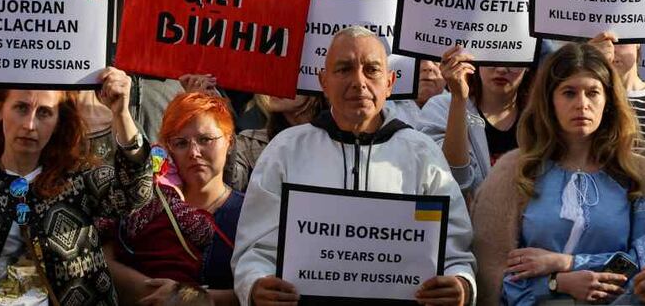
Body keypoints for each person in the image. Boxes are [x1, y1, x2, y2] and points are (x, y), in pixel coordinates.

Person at [231, 26, 476, 306]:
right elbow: (256, 249)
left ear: (390, 82)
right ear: (323, 81)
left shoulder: (423, 153)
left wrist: (461, 284)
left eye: (371, 70)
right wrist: (255, 285)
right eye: (344, 69)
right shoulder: (285, 150)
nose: (359, 81)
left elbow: (454, 250)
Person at [0, 65, 152, 304]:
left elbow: (134, 193)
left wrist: (121, 113)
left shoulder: (78, 179)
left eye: (44, 113)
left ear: (58, 121)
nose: (30, 125)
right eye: (21, 108)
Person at [471, 42, 645, 305]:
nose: (582, 104)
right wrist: (556, 283)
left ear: (608, 100)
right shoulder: (514, 170)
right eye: (569, 93)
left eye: (593, 93)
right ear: (549, 101)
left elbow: (639, 263)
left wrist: (567, 263)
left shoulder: (636, 172)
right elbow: (490, 275)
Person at [103, 92, 242, 304]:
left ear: (229, 141)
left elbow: (259, 292)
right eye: (181, 143)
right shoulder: (146, 206)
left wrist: (187, 297)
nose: (194, 152)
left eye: (205, 140)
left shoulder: (248, 212)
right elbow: (105, 260)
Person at [419, 46, 530, 196]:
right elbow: (453, 181)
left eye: (513, 60)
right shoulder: (441, 108)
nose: (501, 69)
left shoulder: (541, 117)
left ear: (529, 64)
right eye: (492, 57)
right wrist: (458, 98)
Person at [227, 94, 322, 192]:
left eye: (289, 83)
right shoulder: (251, 142)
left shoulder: (329, 142)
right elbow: (231, 182)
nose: (278, 88)